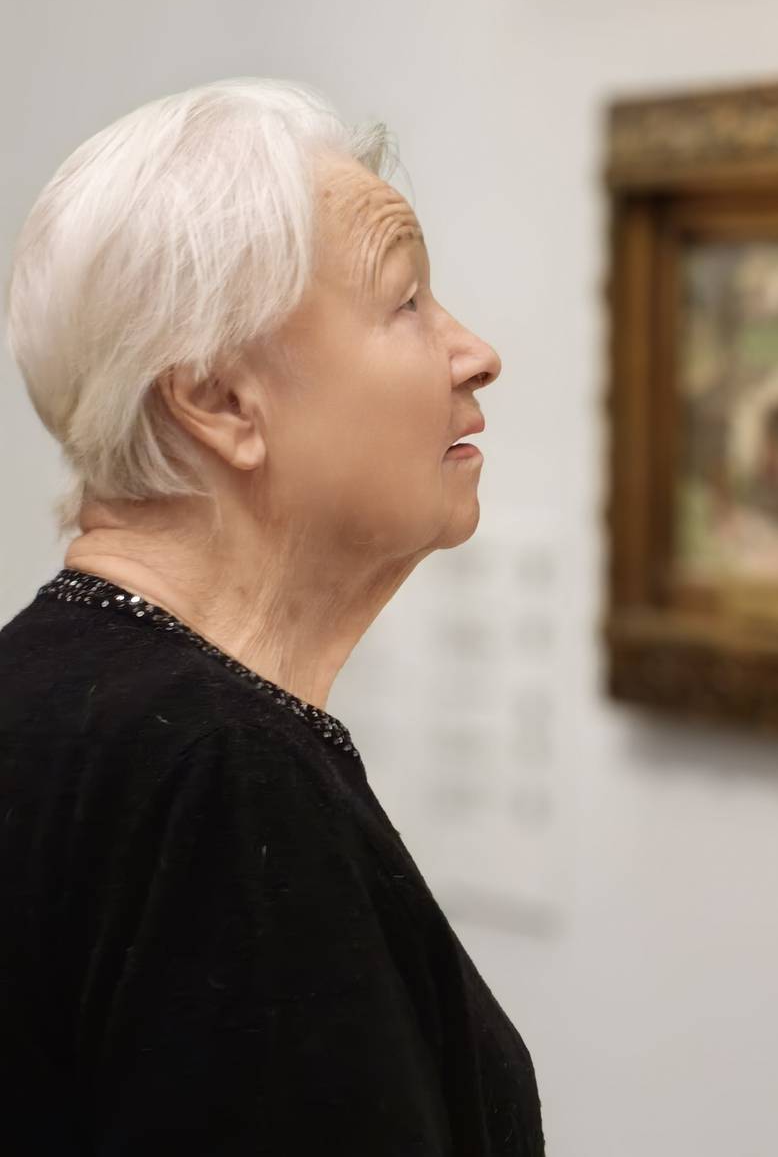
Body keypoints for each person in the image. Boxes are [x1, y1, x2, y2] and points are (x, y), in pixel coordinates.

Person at [0, 78, 546, 1154]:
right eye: (406, 302)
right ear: (220, 402)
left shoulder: (49, 703)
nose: (475, 352)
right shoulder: (217, 777)